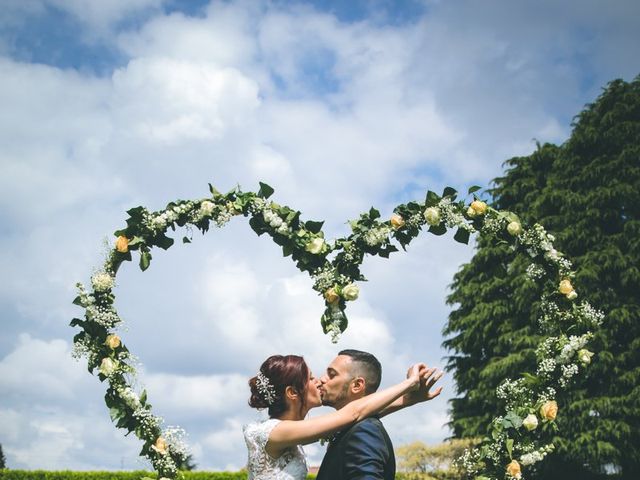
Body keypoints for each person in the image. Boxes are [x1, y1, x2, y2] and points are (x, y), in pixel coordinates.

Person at [243, 353, 443, 480]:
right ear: (292, 393)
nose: (320, 380)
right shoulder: (272, 432)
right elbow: (353, 413)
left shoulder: (292, 433)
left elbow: (355, 417)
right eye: (311, 378)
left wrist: (408, 400)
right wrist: (409, 384)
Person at [316, 349, 443, 480]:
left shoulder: (364, 431)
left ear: (357, 385)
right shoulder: (351, 427)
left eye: (332, 374)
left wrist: (409, 389)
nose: (322, 379)